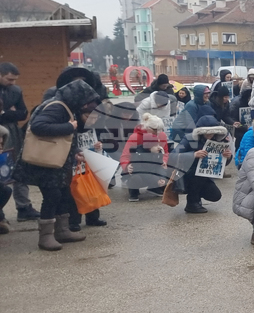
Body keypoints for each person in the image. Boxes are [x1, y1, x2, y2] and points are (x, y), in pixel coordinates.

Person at [13, 80, 100, 251]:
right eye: (85, 101)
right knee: (52, 196)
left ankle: (62, 230)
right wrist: (69, 126)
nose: (85, 105)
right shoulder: (57, 107)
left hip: (55, 162)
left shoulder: (64, 106)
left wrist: (74, 152)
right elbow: (38, 127)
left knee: (63, 194)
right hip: (45, 163)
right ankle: (46, 236)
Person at [0, 62, 41, 222]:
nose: (13, 83)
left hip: (13, 131)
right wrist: (9, 113)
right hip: (3, 130)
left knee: (18, 166)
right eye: (9, 79)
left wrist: (5, 113)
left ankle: (24, 207)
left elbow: (23, 113)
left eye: (14, 80)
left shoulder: (16, 90)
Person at [176, 115, 232, 214]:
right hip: (187, 174)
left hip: (206, 175)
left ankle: (196, 196)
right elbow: (173, 155)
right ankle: (192, 202)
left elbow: (223, 163)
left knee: (215, 195)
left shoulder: (219, 140)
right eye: (206, 132)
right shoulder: (189, 138)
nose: (209, 134)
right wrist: (193, 155)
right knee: (198, 174)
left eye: (212, 132)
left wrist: (227, 157)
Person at [120, 113, 170, 202]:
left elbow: (165, 152)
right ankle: (133, 189)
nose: (158, 133)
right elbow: (125, 156)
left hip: (155, 165)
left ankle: (154, 187)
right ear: (147, 128)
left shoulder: (162, 135)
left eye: (160, 129)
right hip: (138, 166)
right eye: (155, 130)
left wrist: (164, 161)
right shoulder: (135, 137)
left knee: (168, 173)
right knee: (136, 177)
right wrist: (127, 166)